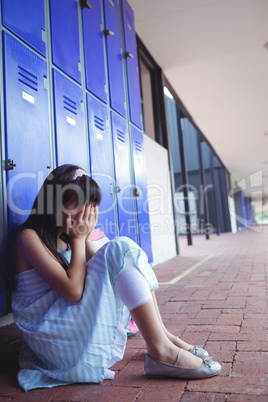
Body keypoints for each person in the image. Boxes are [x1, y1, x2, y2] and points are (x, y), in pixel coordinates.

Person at [4, 164, 221, 392]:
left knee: (125, 251)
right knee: (121, 248)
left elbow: (114, 271)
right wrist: (78, 239)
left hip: (67, 322)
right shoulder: (28, 238)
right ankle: (160, 349)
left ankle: (163, 339)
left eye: (90, 207)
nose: (85, 213)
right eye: (79, 205)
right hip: (52, 340)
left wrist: (82, 237)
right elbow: (73, 291)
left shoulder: (66, 238)